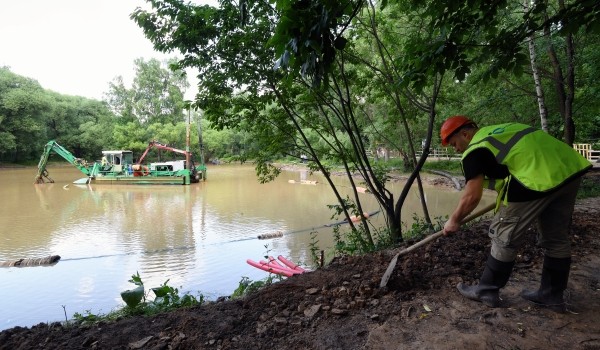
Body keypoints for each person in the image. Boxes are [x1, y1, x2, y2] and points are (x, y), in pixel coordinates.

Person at [440, 116, 591, 312]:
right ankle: (552, 295)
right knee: (556, 237)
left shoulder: (475, 149)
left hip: (536, 178)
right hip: (569, 171)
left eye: (454, 144)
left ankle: (486, 290)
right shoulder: (501, 129)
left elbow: (471, 196)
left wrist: (454, 220)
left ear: (465, 134)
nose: (456, 149)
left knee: (503, 233)